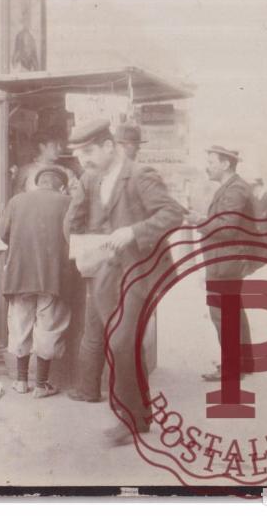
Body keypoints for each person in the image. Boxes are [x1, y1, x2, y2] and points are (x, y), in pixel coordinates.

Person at [66, 119, 185, 446]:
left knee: (120, 342)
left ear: (109, 146)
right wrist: (80, 245)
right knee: (123, 342)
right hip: (107, 271)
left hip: (140, 269)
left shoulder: (140, 175)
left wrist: (132, 231)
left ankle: (128, 420)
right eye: (78, 155)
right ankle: (142, 415)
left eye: (88, 152)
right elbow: (74, 221)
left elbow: (173, 214)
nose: (83, 160)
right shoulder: (91, 177)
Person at [0, 165, 72, 398]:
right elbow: (73, 235)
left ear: (38, 182)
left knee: (20, 324)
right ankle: (41, 385)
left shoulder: (16, 201)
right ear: (60, 185)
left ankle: (21, 381)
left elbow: (2, 233)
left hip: (20, 274)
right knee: (48, 327)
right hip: (53, 276)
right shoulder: (67, 202)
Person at [189, 145, 256, 382]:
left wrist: (199, 220)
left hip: (224, 262)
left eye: (211, 161)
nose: (207, 165)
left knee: (222, 313)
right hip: (227, 260)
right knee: (233, 310)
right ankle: (244, 362)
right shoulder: (232, 187)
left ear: (225, 164)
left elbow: (227, 227)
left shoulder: (234, 189)